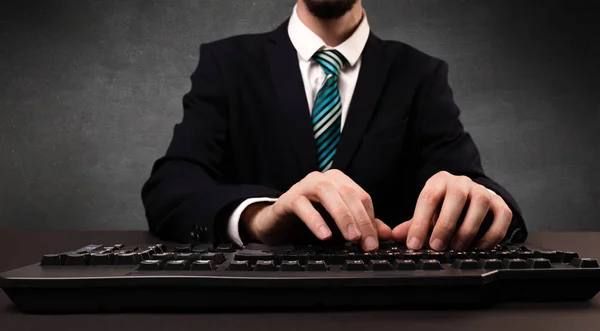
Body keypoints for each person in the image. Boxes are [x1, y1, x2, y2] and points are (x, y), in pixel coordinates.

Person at [141, 0, 527, 252]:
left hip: (391, 304)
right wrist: (258, 217)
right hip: (256, 301)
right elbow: (173, 185)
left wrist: (477, 199)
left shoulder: (420, 73)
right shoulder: (227, 63)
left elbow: (469, 182)